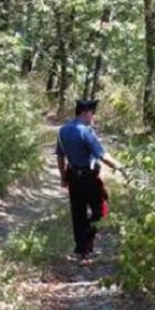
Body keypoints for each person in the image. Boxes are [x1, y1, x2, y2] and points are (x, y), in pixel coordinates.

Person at [55, 99, 125, 260]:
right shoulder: (85, 131)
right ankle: (87, 243)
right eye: (92, 113)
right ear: (85, 112)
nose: (93, 117)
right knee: (100, 211)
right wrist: (120, 167)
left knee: (78, 213)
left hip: (72, 176)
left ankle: (81, 249)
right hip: (89, 177)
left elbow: (60, 156)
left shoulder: (62, 131)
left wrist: (62, 177)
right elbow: (102, 155)